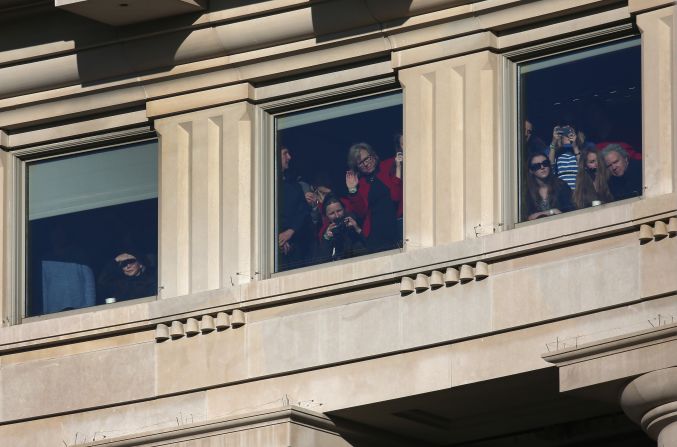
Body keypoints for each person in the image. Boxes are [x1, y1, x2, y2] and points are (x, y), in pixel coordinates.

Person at [344, 142, 402, 252]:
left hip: (397, 226)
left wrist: (398, 166)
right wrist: (353, 190)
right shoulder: (360, 183)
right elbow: (361, 213)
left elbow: (396, 197)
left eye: (367, 159)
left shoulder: (389, 165)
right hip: (376, 235)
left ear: (373, 155)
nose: (365, 164)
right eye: (360, 163)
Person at [278, 146, 311, 270]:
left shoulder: (293, 185)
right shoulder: (262, 183)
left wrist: (290, 232)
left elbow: (302, 211)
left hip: (295, 249)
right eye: (285, 154)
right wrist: (276, 239)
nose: (289, 157)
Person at [316, 194, 367, 262]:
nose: (337, 216)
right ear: (326, 216)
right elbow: (322, 260)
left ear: (344, 209)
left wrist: (357, 229)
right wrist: (327, 238)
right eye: (332, 213)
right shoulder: (325, 232)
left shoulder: (354, 220)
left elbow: (371, 246)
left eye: (339, 211)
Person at [524, 153, 574, 220]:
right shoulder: (528, 192)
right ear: (531, 171)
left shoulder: (561, 186)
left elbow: (569, 211)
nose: (542, 167)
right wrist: (552, 211)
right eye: (537, 166)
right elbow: (529, 217)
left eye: (545, 163)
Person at [548, 124, 582, 190]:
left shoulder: (580, 151)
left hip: (577, 189)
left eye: (570, 133)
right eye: (565, 133)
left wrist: (575, 146)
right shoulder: (557, 153)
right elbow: (550, 164)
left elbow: (582, 166)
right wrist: (554, 140)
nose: (568, 135)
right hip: (562, 189)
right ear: (561, 137)